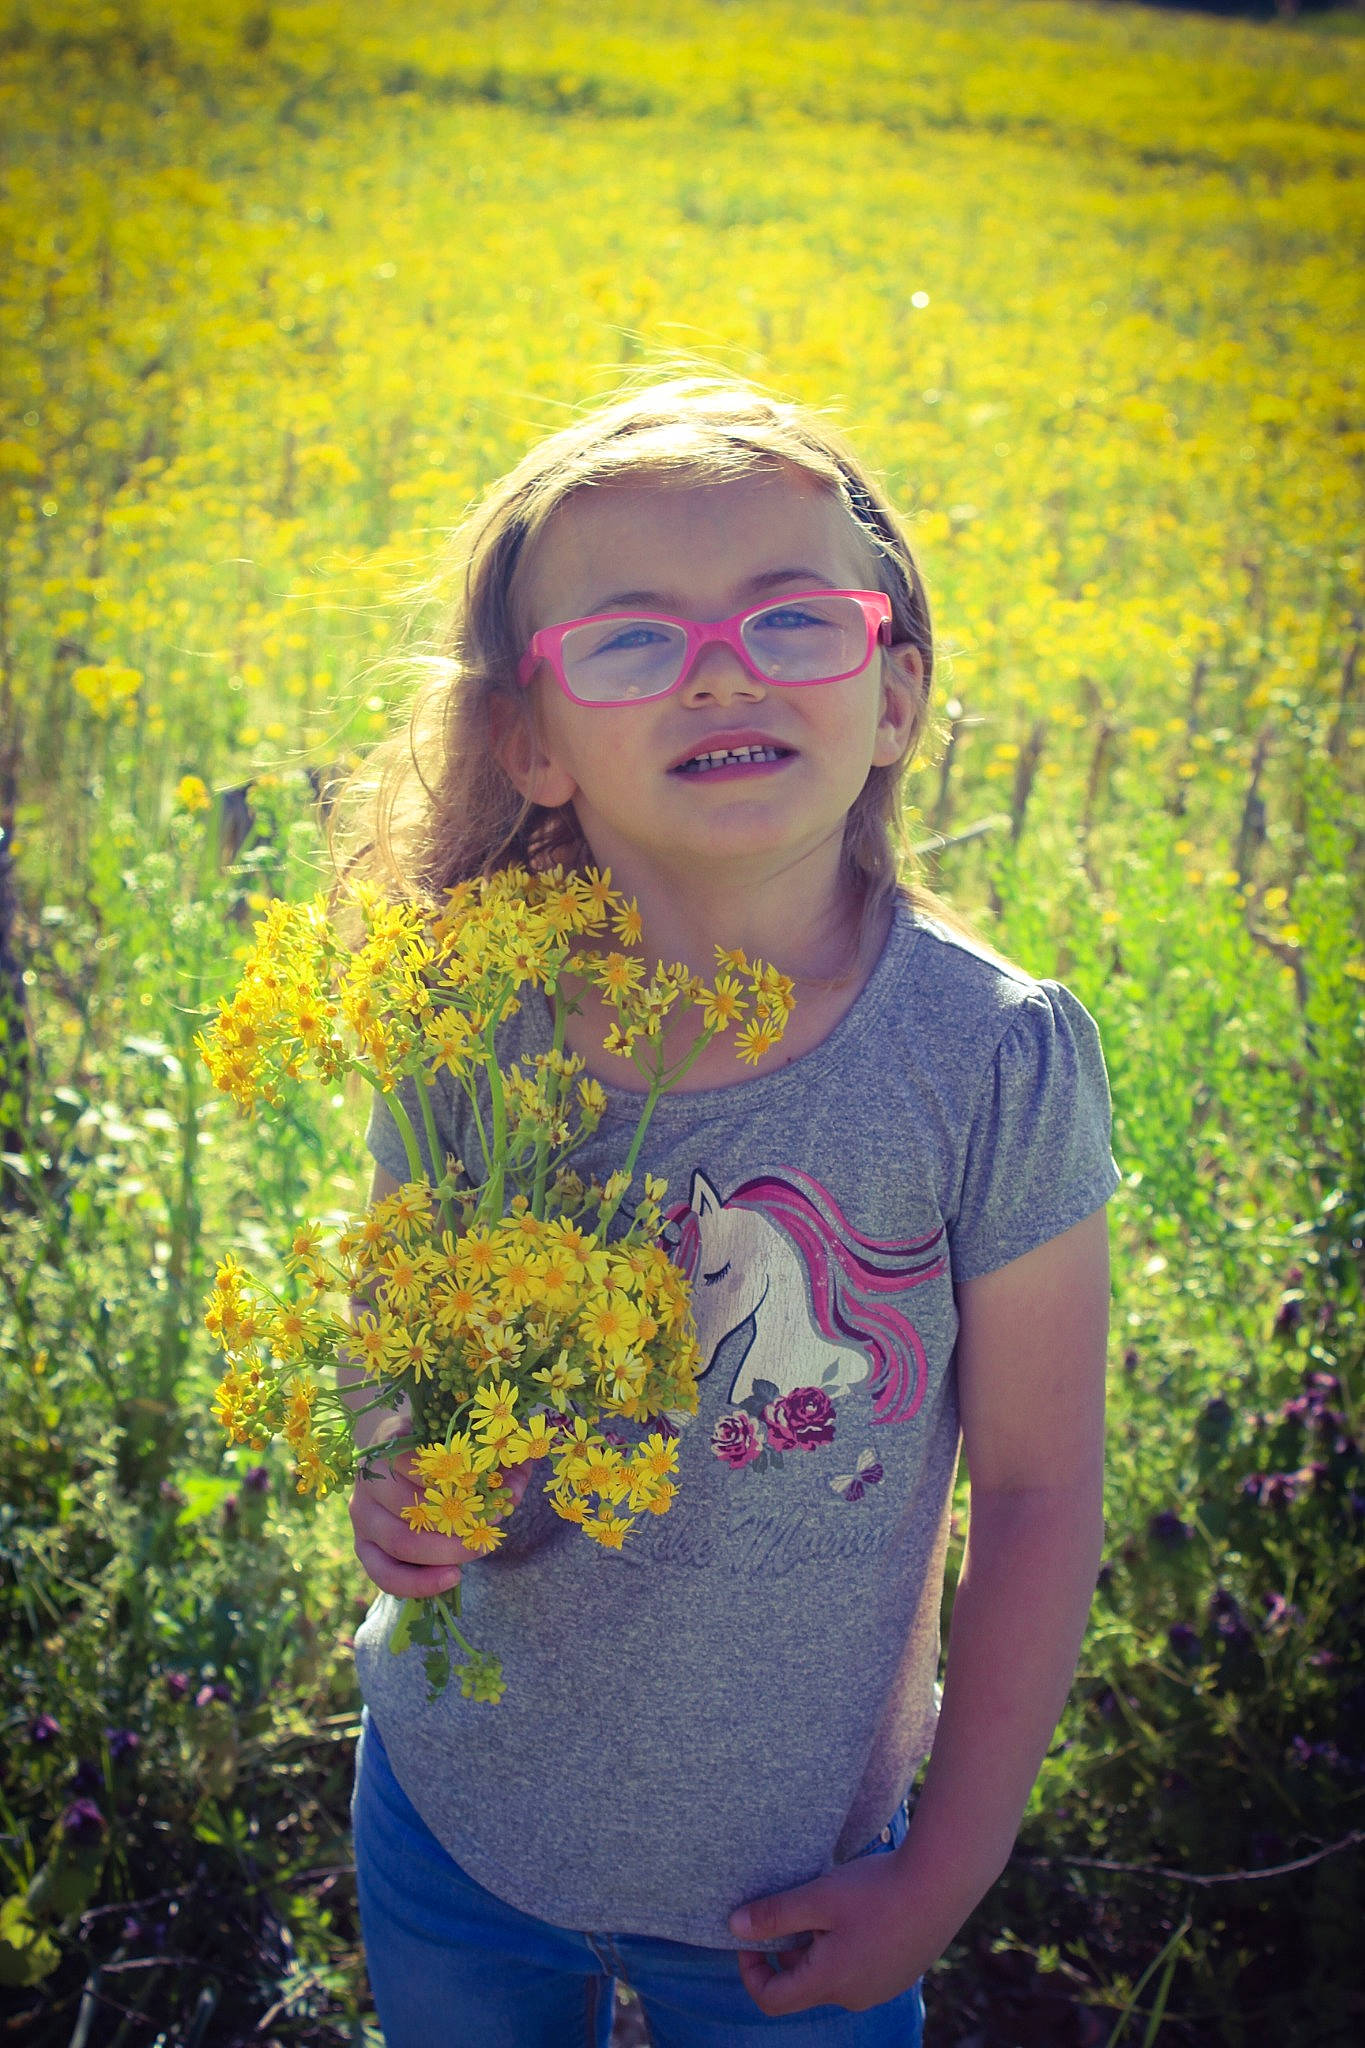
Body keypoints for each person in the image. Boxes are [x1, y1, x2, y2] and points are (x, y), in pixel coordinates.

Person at [339, 373, 1119, 2047]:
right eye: (629, 639)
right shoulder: (469, 1018)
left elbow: (1042, 1490)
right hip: (453, 1821)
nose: (717, 669)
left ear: (896, 697)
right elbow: (392, 1330)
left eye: (792, 621)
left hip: (800, 1883)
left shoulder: (985, 1059)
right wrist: (393, 1469)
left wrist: (947, 1871)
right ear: (529, 747)